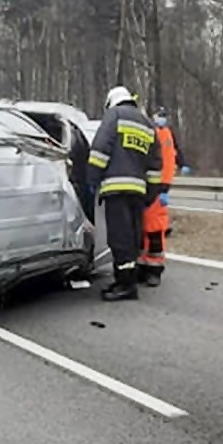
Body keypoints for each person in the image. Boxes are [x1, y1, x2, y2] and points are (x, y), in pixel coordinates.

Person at [88, 86, 163, 301]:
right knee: (132, 237)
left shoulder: (114, 116)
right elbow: (155, 163)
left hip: (116, 189)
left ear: (111, 102)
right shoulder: (147, 123)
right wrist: (151, 193)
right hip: (138, 192)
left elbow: (100, 148)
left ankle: (126, 286)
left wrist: (92, 179)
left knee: (119, 239)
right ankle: (127, 279)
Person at [137, 106, 177, 287]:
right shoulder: (154, 133)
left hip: (156, 187)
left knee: (153, 230)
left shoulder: (163, 134)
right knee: (141, 230)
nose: (161, 119)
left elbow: (167, 161)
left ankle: (153, 270)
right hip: (145, 186)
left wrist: (164, 187)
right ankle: (142, 266)